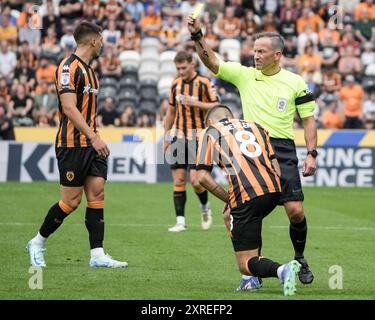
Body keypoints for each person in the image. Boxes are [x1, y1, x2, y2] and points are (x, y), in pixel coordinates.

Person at [188, 16, 317, 285]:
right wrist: (198, 35)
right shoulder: (245, 75)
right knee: (229, 214)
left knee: (295, 210)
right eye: (254, 50)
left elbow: (308, 120)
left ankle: (300, 257)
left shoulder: (295, 82)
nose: (255, 55)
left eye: (261, 51)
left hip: (281, 148)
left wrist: (312, 153)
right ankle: (251, 274)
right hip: (252, 151)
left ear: (277, 54)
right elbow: (211, 61)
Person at [26, 21, 128, 269]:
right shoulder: (67, 67)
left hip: (92, 144)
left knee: (97, 194)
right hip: (72, 144)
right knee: (71, 202)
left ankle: (97, 254)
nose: (103, 44)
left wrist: (95, 136)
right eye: (101, 39)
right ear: (93, 40)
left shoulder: (92, 72)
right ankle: (37, 242)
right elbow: (69, 108)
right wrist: (93, 137)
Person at [196, 105, 301, 296]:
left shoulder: (208, 131)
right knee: (230, 216)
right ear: (232, 117)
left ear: (210, 122)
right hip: (274, 190)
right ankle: (251, 281)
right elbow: (276, 167)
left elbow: (201, 177)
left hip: (246, 194)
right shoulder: (257, 126)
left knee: (245, 264)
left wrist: (229, 198)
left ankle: (281, 271)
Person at [163, 51, 219, 232]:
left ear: (192, 64)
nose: (181, 71)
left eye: (184, 67)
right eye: (178, 68)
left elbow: (217, 105)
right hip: (179, 137)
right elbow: (170, 112)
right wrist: (165, 135)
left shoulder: (204, 83)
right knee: (179, 179)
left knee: (196, 181)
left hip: (199, 137)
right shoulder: (175, 84)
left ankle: (205, 207)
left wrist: (196, 104)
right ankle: (180, 221)